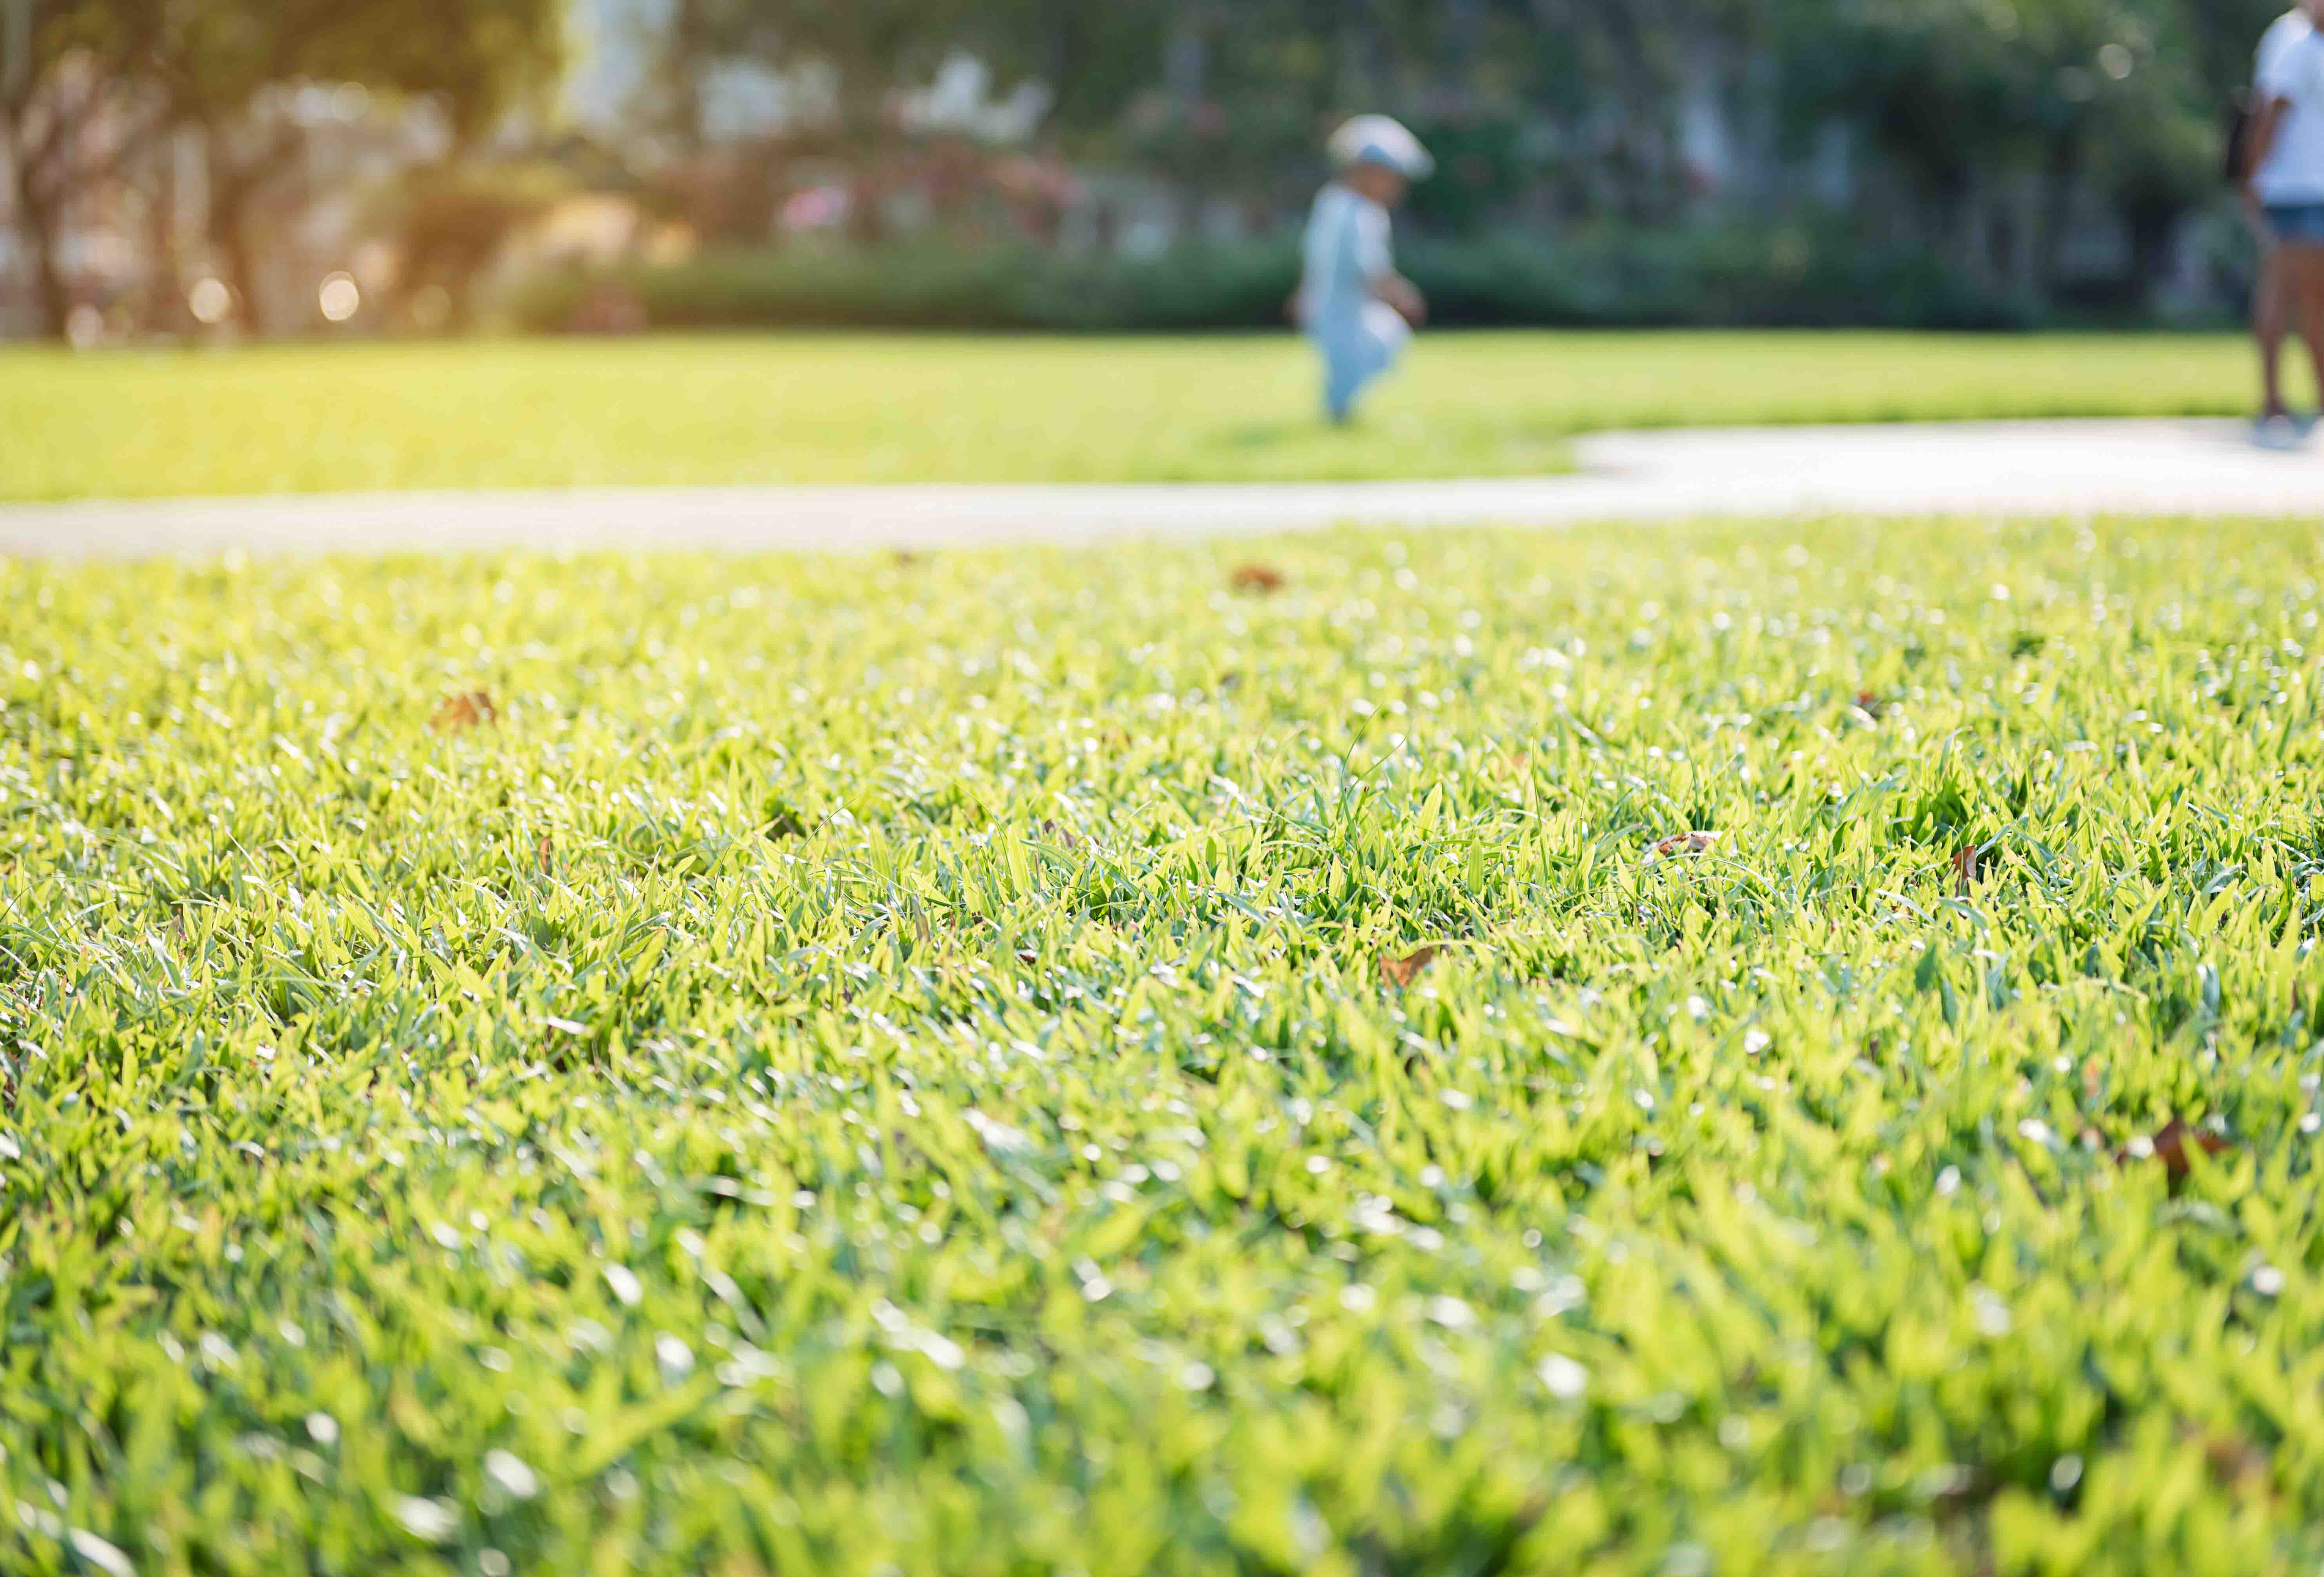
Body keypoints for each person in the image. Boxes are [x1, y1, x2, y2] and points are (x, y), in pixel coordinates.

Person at [1295, 115, 1433, 424]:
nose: (1397, 188)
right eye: (1391, 178)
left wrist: (1304, 293)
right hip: (1341, 308)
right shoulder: (1358, 212)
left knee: (1377, 346)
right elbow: (1369, 266)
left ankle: (1342, 415)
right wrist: (1401, 294)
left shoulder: (1331, 202)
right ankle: (1339, 419)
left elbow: (1313, 253)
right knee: (1354, 360)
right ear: (1366, 172)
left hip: (1332, 305)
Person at [2245, 0, 2324, 448]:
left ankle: (2303, 396)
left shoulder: (2313, 39)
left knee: (2310, 298)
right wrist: (2255, 175)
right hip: (2296, 186)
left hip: (2312, 185)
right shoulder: (2293, 38)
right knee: (2289, 292)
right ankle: (2272, 399)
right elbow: (2271, 108)